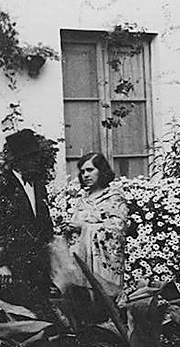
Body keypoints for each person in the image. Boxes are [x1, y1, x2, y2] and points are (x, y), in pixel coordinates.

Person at [0, 129, 54, 317]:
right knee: (18, 317)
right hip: (12, 267)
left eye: (36, 156)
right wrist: (2, 263)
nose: (35, 161)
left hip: (38, 265)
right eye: (30, 157)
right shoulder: (3, 185)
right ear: (17, 160)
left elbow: (43, 222)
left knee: (41, 316)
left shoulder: (38, 184)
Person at [66, 152, 127, 299]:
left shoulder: (113, 198)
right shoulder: (82, 200)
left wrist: (84, 227)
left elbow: (117, 227)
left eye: (90, 170)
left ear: (101, 170)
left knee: (104, 303)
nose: (85, 175)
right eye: (82, 172)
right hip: (81, 262)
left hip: (104, 264)